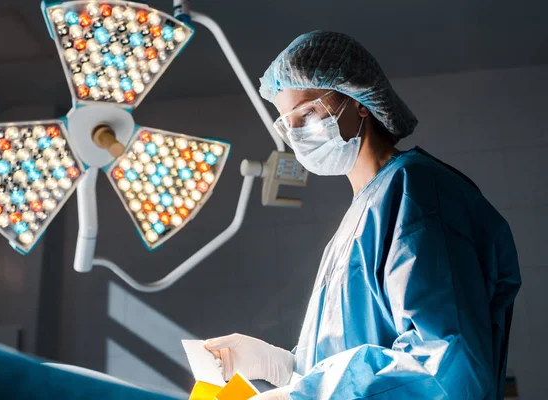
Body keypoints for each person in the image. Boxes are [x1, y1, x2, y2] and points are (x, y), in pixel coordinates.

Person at [204, 31, 521, 399]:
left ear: (359, 102)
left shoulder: (415, 190)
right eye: (286, 124)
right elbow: (347, 356)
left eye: (306, 112)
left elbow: (445, 367)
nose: (297, 133)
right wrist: (284, 367)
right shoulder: (356, 221)